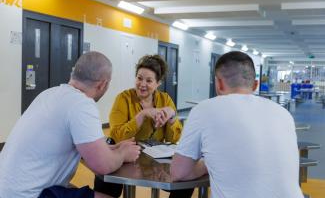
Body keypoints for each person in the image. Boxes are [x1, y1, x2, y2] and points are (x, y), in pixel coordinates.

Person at [0, 51, 141, 198]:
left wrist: (113, 148)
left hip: (8, 188)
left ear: (74, 73)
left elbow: (85, 146)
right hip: (30, 194)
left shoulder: (49, 94)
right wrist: (123, 153)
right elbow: (103, 166)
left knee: (73, 189)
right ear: (103, 84)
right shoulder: (82, 104)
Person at [171, 51, 304, 198]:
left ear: (219, 83)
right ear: (255, 85)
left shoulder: (204, 109)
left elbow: (178, 173)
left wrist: (206, 164)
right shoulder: (283, 113)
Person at [94, 54, 194, 198]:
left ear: (158, 82)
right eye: (139, 78)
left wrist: (172, 119)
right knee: (105, 180)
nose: (142, 84)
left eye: (149, 80)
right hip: (126, 158)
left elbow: (175, 139)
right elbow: (116, 135)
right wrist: (142, 115)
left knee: (185, 181)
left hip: (156, 161)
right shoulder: (123, 98)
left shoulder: (164, 99)